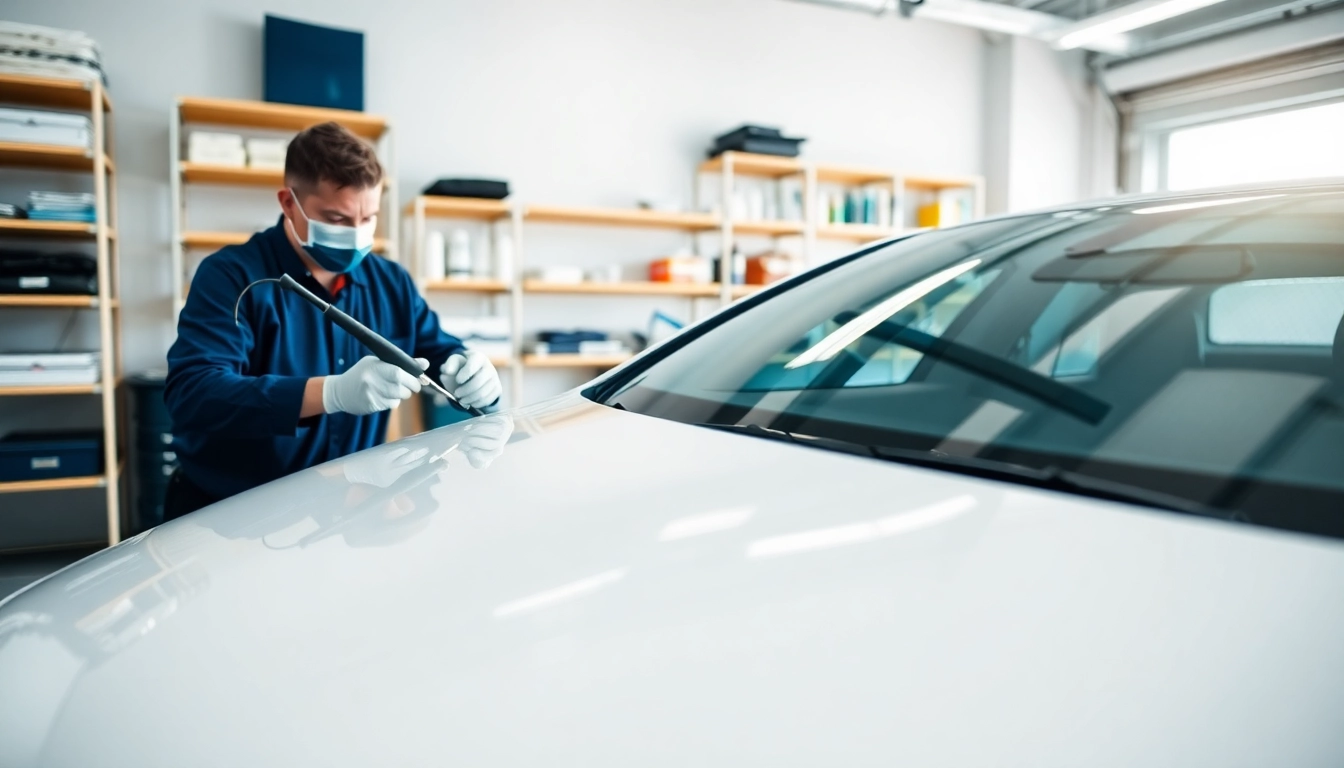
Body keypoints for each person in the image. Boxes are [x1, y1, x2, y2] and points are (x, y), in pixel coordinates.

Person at [162, 121, 501, 520]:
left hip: (348, 513)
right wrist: (331, 394)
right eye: (338, 219)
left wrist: (471, 372)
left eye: (368, 218)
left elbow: (440, 354)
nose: (357, 235)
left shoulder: (391, 282)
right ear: (289, 203)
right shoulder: (230, 276)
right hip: (228, 516)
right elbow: (193, 395)